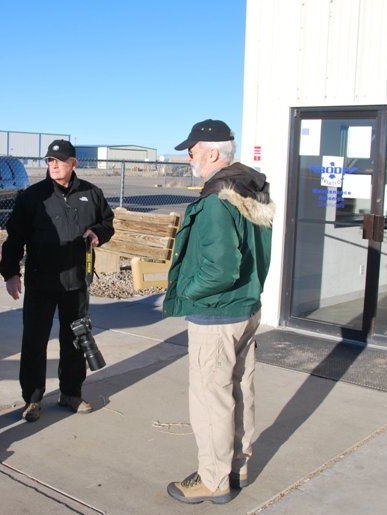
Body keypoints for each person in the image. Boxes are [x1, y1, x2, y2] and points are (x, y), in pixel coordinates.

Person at [163, 120, 275, 504]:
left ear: (212, 153)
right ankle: (237, 465)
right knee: (239, 388)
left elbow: (220, 269)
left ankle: (213, 478)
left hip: (217, 314)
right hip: (245, 308)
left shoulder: (216, 202)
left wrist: (188, 292)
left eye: (191, 150)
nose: (188, 157)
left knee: (212, 397)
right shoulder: (251, 190)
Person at [0, 139, 114, 422]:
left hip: (76, 282)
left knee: (75, 340)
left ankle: (71, 393)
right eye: (49, 161)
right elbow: (15, 237)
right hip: (41, 282)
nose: (53, 165)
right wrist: (10, 272)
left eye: (59, 161)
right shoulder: (33, 196)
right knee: (35, 342)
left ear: (73, 163)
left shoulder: (92, 193)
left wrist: (99, 232)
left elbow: (108, 222)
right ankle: (33, 399)